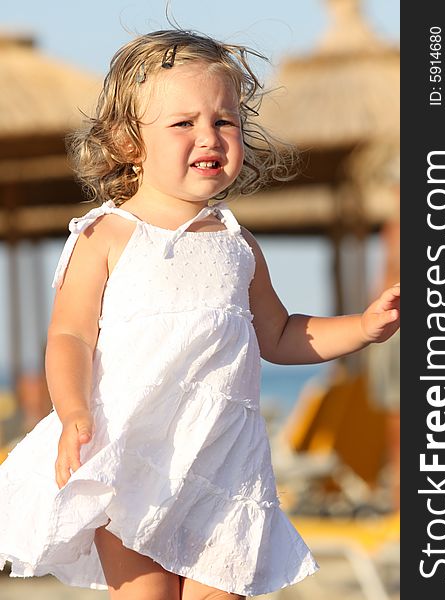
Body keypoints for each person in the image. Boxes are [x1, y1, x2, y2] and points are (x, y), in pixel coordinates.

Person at [0, 29, 400, 600]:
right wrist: (73, 413)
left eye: (225, 121)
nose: (208, 136)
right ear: (127, 141)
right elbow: (68, 336)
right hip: (135, 455)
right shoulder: (108, 236)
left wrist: (362, 327)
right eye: (183, 123)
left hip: (225, 465)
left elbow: (282, 334)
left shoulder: (237, 244)